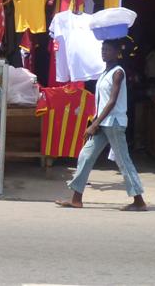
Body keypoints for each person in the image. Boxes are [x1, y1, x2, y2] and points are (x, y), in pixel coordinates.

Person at [56, 39, 147, 211]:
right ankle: (76, 198)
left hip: (113, 123)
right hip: (103, 123)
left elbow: (112, 102)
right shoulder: (105, 72)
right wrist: (96, 121)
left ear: (116, 52)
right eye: (102, 49)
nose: (104, 52)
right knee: (86, 155)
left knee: (123, 161)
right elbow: (102, 100)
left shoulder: (118, 72)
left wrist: (94, 124)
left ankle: (139, 201)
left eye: (108, 49)